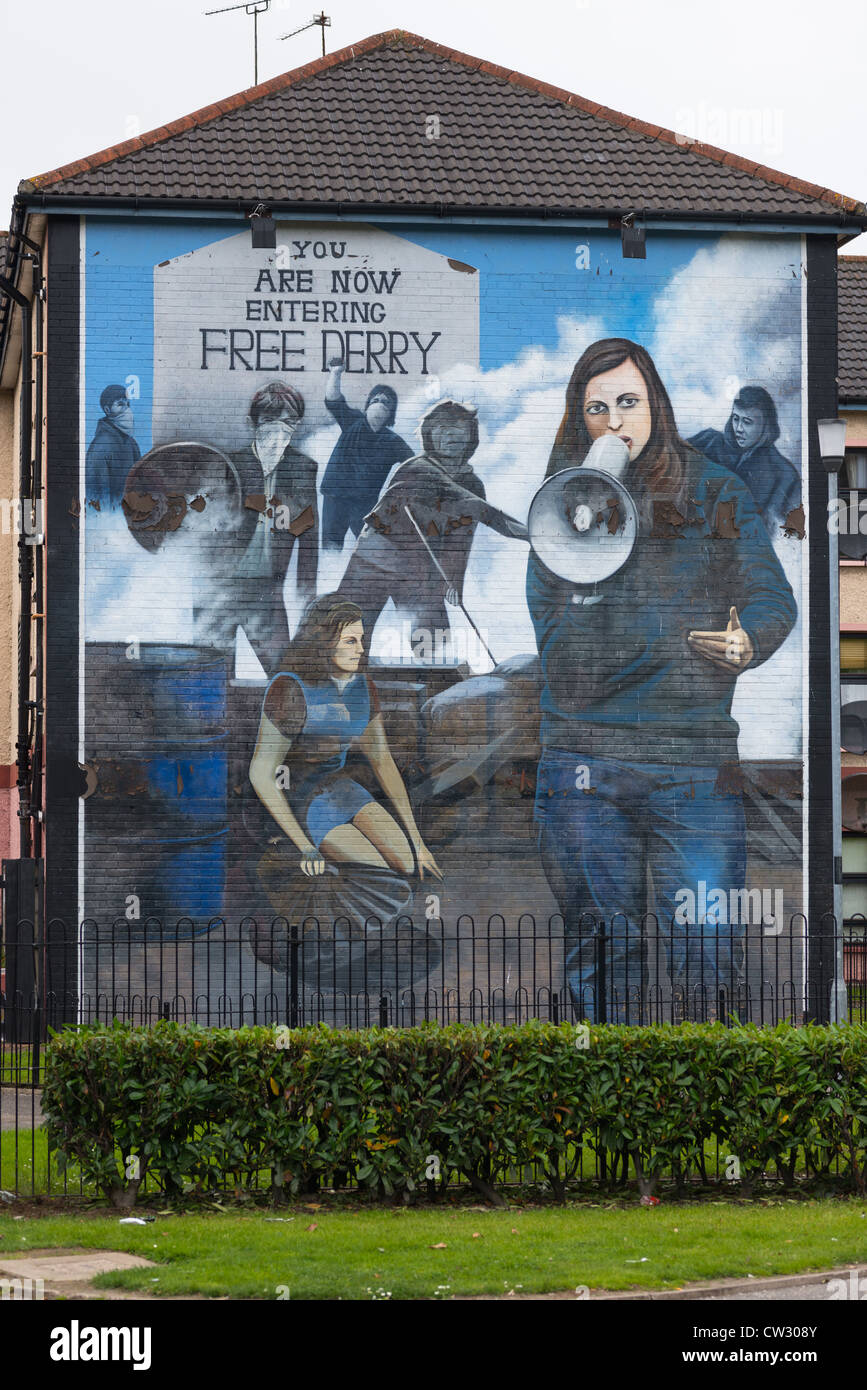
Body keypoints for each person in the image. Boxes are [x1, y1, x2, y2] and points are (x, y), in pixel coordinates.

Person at [528, 339, 798, 1023]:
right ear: (577, 418)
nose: (614, 422)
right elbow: (562, 657)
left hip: (695, 767)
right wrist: (594, 544)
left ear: (655, 406)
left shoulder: (714, 490)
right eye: (596, 408)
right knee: (600, 956)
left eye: (628, 402)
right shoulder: (563, 507)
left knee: (707, 956)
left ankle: (700, 1123)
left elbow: (771, 597)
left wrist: (746, 641)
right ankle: (595, 1117)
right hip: (584, 763)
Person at [249, 593, 443, 880]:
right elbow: (261, 774)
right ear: (323, 643)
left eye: (361, 639)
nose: (361, 649)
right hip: (300, 797)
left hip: (340, 788)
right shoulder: (289, 689)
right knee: (376, 869)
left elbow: (382, 761)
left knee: (406, 863)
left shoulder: (363, 688)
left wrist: (418, 842)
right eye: (350, 641)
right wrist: (305, 847)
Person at [338, 399, 528, 653]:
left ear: (471, 435)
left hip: (421, 566)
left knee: (434, 642)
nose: (450, 434)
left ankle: (437, 684)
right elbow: (480, 509)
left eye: (459, 427)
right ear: (429, 434)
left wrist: (454, 582)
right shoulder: (417, 468)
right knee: (348, 630)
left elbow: (461, 539)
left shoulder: (472, 483)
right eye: (442, 427)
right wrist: (531, 534)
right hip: (376, 558)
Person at [199, 382, 319, 677]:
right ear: (252, 422)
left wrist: (307, 594)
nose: (278, 430)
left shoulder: (303, 468)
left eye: (287, 421)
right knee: (211, 677)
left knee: (284, 677)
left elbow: (309, 534)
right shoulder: (232, 465)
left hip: (267, 592)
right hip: (222, 588)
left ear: (297, 425)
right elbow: (209, 525)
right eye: (268, 419)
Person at [320, 358, 414, 549]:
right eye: (375, 400)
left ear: (391, 412)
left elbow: (415, 465)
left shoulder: (393, 442)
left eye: (386, 402)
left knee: (368, 548)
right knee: (331, 546)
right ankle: (330, 575)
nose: (380, 404)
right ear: (368, 404)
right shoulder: (353, 420)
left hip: (365, 503)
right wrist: (335, 373)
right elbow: (333, 399)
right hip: (335, 495)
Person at [689, 385, 800, 533]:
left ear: (766, 425)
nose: (739, 428)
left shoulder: (784, 476)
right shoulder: (707, 443)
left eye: (747, 422)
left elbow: (790, 537)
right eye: (736, 419)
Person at [86, 385, 140, 507]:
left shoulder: (131, 443)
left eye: (128, 405)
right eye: (120, 404)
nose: (127, 410)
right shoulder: (101, 446)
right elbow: (98, 496)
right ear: (107, 410)